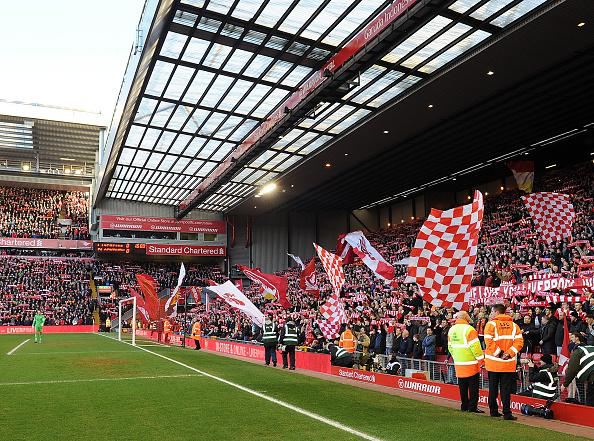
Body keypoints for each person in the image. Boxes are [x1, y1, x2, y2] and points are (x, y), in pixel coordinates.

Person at [484, 304, 523, 420]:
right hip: (508, 363)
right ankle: (507, 413)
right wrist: (509, 353)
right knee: (506, 390)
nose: (490, 314)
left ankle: (493, 411)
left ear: (496, 312)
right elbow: (519, 343)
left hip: (494, 363)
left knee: (493, 388)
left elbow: (489, 342)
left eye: (491, 312)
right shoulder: (514, 326)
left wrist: (500, 354)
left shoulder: (490, 325)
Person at [448, 311, 485, 413]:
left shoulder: (451, 330)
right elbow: (476, 348)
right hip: (471, 364)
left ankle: (464, 406)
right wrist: (481, 361)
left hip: (459, 363)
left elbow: (450, 347)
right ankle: (472, 407)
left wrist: (457, 357)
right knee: (473, 388)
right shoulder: (469, 329)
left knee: (462, 387)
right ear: (465, 317)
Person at [560, 339, 594, 406]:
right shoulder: (591, 348)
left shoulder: (577, 351)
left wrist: (565, 384)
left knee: (591, 404)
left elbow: (572, 370)